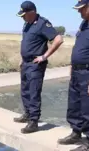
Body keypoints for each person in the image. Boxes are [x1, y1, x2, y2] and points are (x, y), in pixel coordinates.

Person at [14, 1, 64, 134]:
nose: (22, 17)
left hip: (36, 64)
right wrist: (22, 59)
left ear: (32, 12)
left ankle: (34, 122)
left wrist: (44, 56)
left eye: (24, 15)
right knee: (25, 90)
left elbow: (58, 39)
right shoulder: (27, 24)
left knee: (33, 91)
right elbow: (28, 43)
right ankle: (27, 114)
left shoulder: (42, 24)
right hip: (26, 63)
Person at [57, 0, 89, 151]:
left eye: (82, 9)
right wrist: (72, 66)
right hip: (77, 72)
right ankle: (76, 134)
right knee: (74, 105)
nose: (78, 12)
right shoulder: (84, 24)